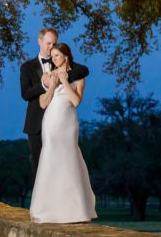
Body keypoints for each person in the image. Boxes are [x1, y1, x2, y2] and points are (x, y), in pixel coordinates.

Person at [29, 43, 97, 223]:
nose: (54, 59)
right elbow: (43, 104)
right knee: (50, 158)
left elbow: (75, 101)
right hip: (51, 122)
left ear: (66, 56)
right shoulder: (48, 75)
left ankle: (75, 210)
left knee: (70, 158)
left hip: (68, 123)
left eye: (57, 55)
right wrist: (51, 86)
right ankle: (48, 209)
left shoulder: (79, 76)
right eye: (52, 56)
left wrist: (65, 81)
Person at [20, 28, 88, 179]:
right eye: (48, 43)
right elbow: (25, 94)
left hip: (61, 121)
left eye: (54, 43)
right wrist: (44, 85)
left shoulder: (59, 61)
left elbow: (83, 70)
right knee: (39, 166)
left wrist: (62, 76)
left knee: (63, 163)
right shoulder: (27, 67)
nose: (51, 47)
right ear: (39, 42)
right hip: (36, 121)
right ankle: (40, 202)